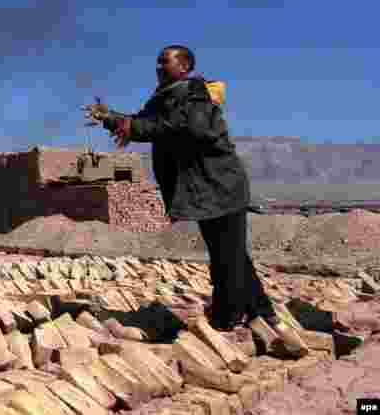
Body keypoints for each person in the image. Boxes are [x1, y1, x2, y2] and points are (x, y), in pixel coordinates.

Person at [84, 45, 279, 332]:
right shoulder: (165, 97)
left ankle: (227, 317)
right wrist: (111, 117)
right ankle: (261, 310)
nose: (158, 68)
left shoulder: (195, 95)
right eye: (157, 63)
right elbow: (143, 123)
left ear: (184, 66)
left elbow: (184, 127)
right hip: (204, 188)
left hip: (220, 184)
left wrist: (132, 126)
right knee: (231, 253)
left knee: (227, 256)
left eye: (165, 62)